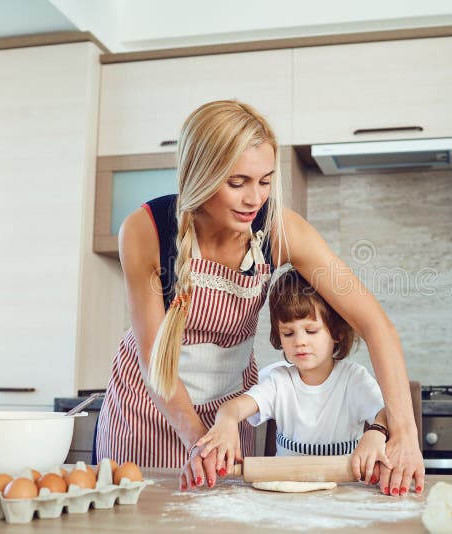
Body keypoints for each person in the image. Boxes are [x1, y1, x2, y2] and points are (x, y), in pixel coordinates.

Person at [95, 99, 424, 497]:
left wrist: (404, 434)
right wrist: (202, 442)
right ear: (200, 175)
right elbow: (153, 363)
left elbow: (375, 325)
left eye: (265, 181)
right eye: (238, 183)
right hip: (147, 408)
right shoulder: (144, 231)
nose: (255, 199)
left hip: (229, 416)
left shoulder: (280, 229)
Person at [195, 269, 392, 488]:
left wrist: (377, 432)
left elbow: (387, 413)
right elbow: (232, 408)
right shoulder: (279, 381)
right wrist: (226, 421)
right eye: (288, 333)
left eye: (311, 330)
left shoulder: (353, 380)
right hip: (288, 500)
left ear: (337, 332)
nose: (299, 341)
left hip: (345, 495)